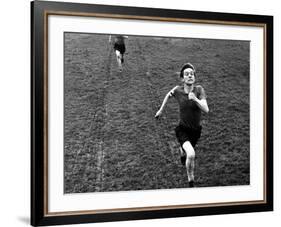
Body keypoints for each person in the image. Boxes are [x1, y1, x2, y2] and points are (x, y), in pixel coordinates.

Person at [155, 63, 209, 187]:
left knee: (187, 151)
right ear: (182, 78)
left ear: (194, 77)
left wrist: (195, 99)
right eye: (186, 74)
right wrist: (161, 110)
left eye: (192, 74)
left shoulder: (199, 90)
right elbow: (168, 95)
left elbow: (206, 109)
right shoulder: (177, 90)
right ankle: (191, 180)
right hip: (182, 130)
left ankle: (181, 150)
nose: (189, 76)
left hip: (196, 131)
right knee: (191, 154)